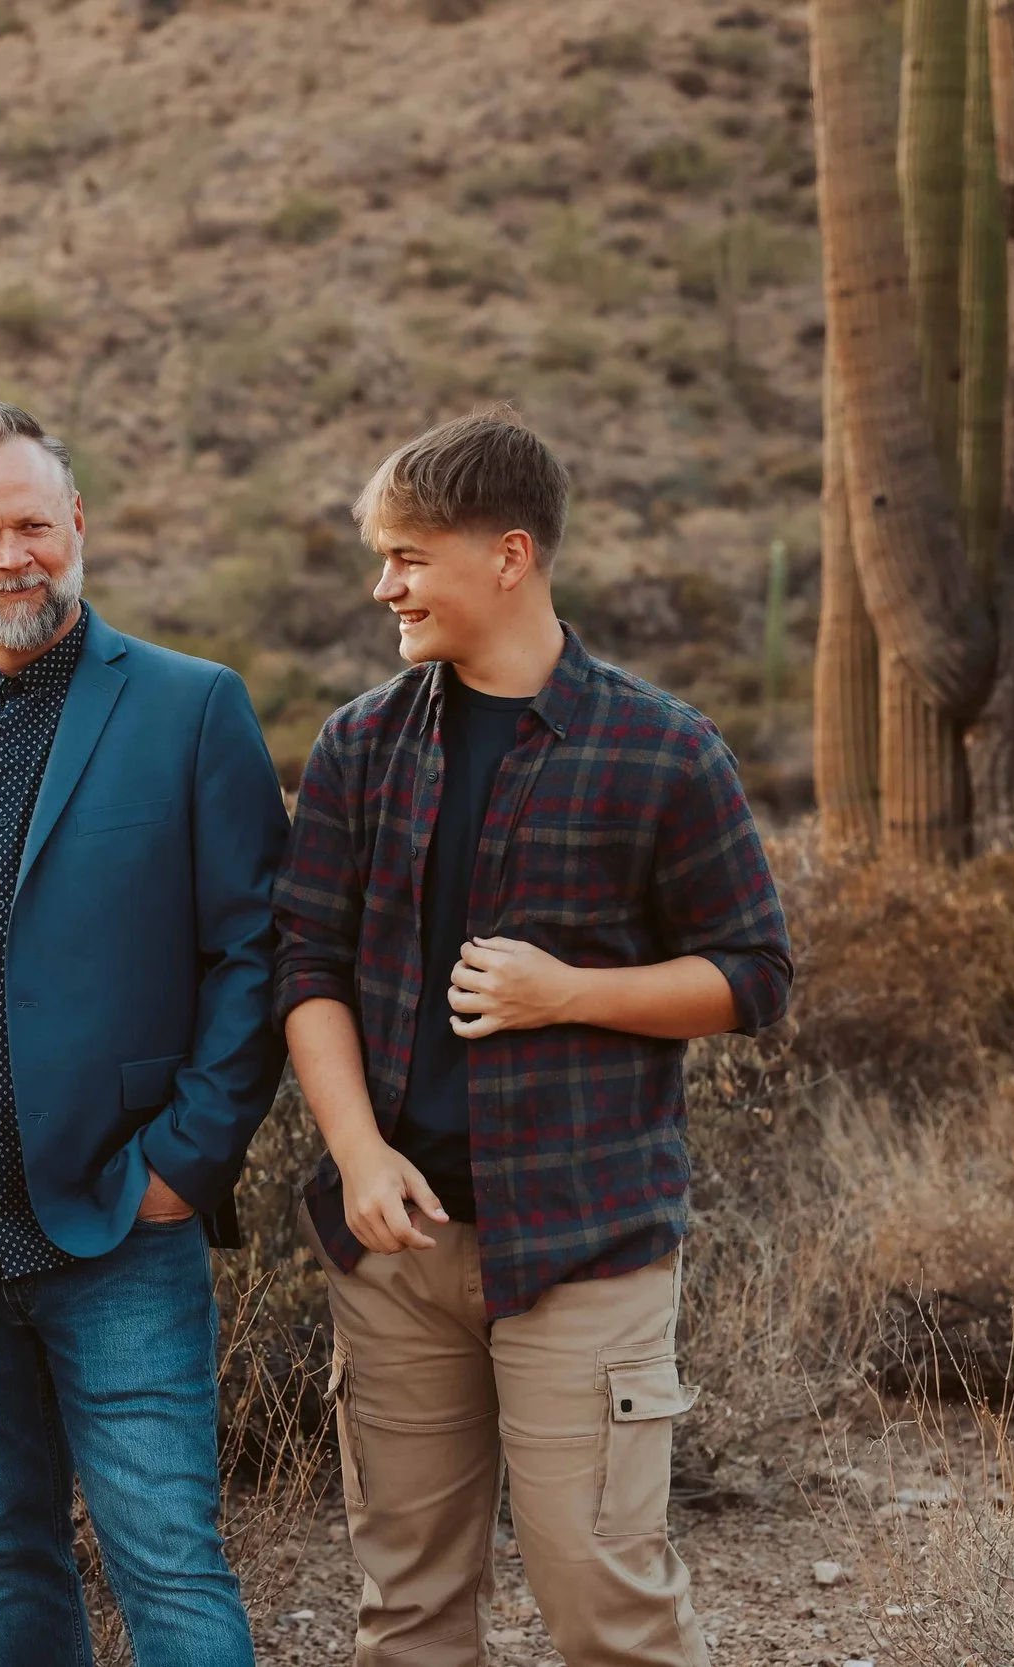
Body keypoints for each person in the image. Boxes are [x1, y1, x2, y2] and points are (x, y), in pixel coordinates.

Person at [273, 411, 793, 1667]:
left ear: (509, 556)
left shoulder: (661, 748)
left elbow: (755, 975)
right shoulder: (359, 745)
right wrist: (355, 1153)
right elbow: (308, 967)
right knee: (406, 1615)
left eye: (407, 555)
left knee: (604, 1605)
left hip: (584, 1240)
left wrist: (569, 992)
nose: (382, 583)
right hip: (398, 1242)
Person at [0, 399, 287, 1666]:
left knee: (170, 1565)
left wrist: (189, 1160)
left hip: (121, 1221)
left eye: (32, 522)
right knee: (7, 1556)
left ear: (76, 523)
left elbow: (253, 953)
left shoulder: (193, 707)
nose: (12, 554)